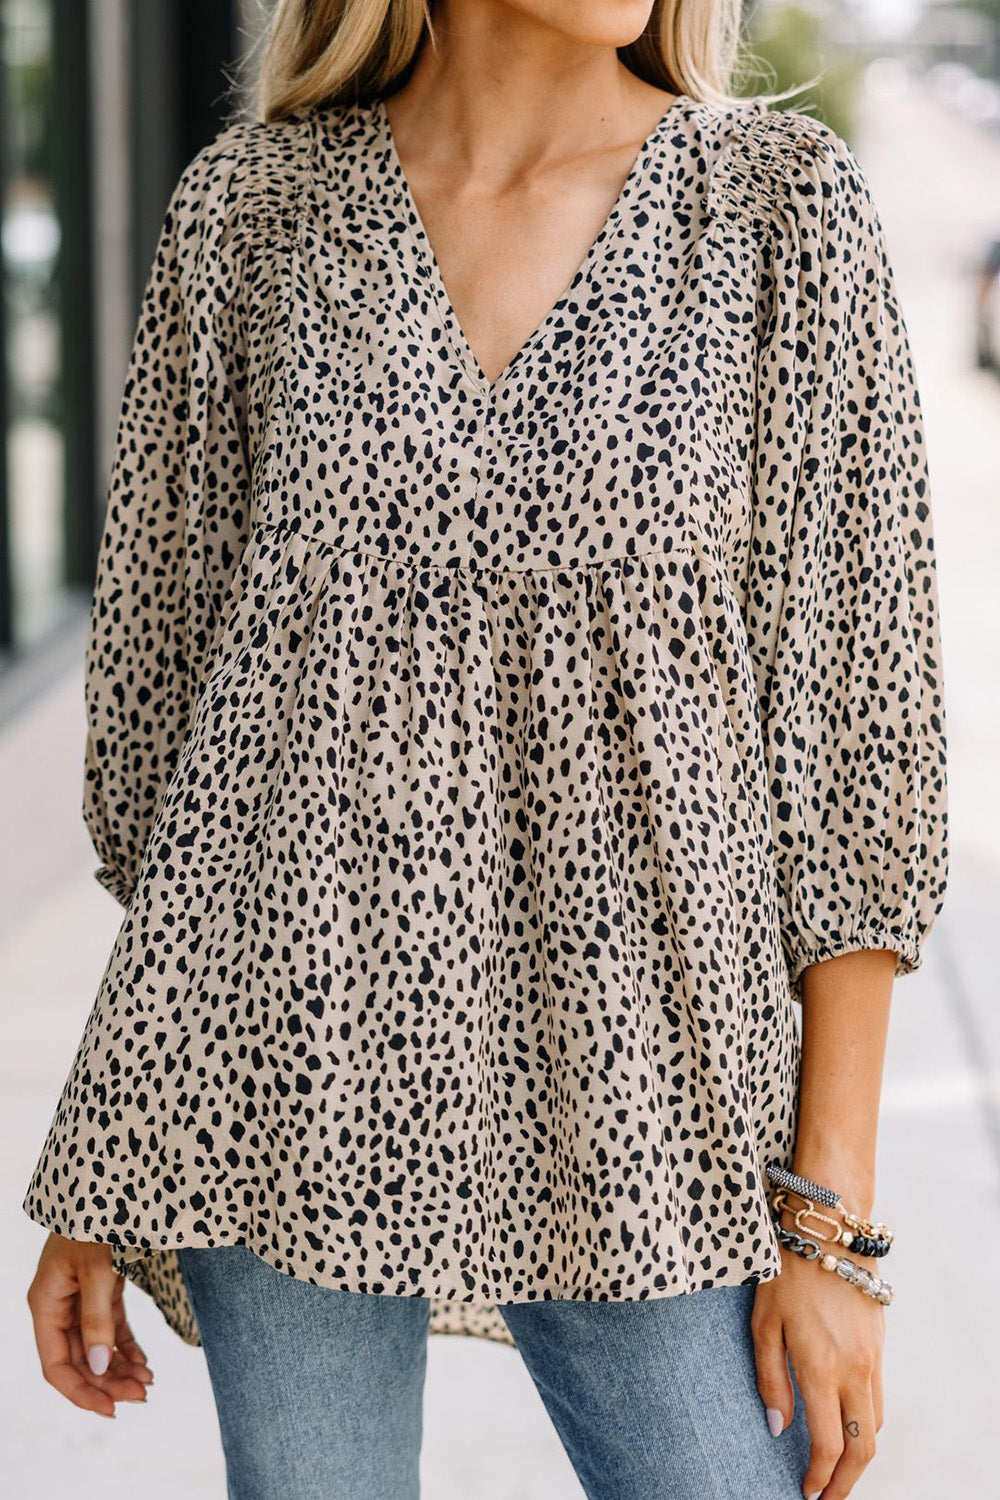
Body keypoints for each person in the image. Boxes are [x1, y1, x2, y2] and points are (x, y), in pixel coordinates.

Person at [22, 2, 950, 1498]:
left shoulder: (778, 209)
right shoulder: (249, 216)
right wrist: (122, 1155)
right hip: (282, 1078)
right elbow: (160, 743)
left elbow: (861, 750)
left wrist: (829, 1226)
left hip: (652, 1101)